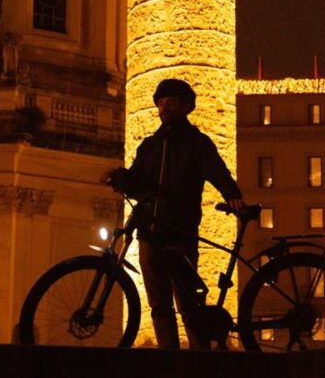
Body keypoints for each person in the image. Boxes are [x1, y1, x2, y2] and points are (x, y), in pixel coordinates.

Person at [103, 78, 244, 349]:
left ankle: (199, 356)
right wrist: (119, 178)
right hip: (150, 232)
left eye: (171, 102)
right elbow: (138, 181)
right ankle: (169, 357)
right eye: (161, 102)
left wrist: (233, 195)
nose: (164, 107)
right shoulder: (149, 146)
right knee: (158, 304)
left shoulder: (197, 143)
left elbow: (217, 172)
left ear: (185, 106)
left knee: (188, 303)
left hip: (180, 233)